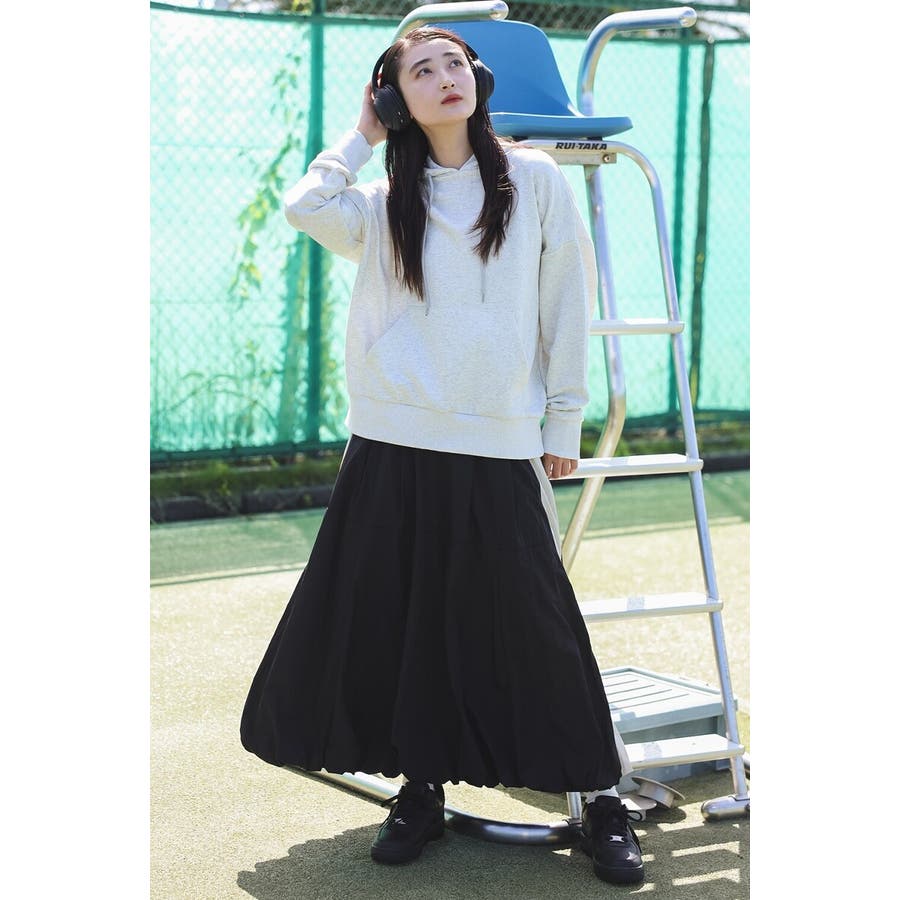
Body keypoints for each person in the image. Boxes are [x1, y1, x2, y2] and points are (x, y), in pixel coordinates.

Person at [240, 26, 644, 886]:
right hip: (392, 438)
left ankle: (603, 799)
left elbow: (567, 300)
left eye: (454, 64)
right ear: (397, 99)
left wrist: (563, 422)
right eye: (419, 72)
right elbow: (305, 206)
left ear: (478, 78)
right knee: (402, 624)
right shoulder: (384, 198)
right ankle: (419, 790)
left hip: (498, 439)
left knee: (539, 631)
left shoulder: (535, 179)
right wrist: (362, 135)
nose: (443, 78)